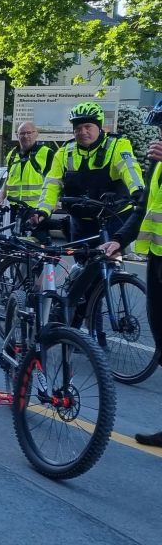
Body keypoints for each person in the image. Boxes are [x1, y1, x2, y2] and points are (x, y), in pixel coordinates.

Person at [100, 105, 161, 446]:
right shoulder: (157, 163)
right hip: (157, 262)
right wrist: (119, 240)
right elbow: (143, 209)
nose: (159, 136)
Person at [33, 101, 145, 246]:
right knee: (81, 262)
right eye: (78, 128)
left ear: (99, 127)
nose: (83, 132)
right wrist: (43, 210)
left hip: (113, 217)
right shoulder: (65, 152)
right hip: (80, 221)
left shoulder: (117, 145)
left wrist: (138, 191)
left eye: (88, 127)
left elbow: (129, 168)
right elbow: (52, 184)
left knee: (110, 260)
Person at [0, 121, 53, 243]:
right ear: (17, 135)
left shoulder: (46, 153)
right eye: (22, 133)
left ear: (36, 134)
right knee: (17, 244)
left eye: (29, 132)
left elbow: (55, 182)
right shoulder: (12, 154)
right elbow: (9, 179)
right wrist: (0, 198)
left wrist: (49, 208)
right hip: (16, 209)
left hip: (37, 209)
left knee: (39, 245)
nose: (26, 136)